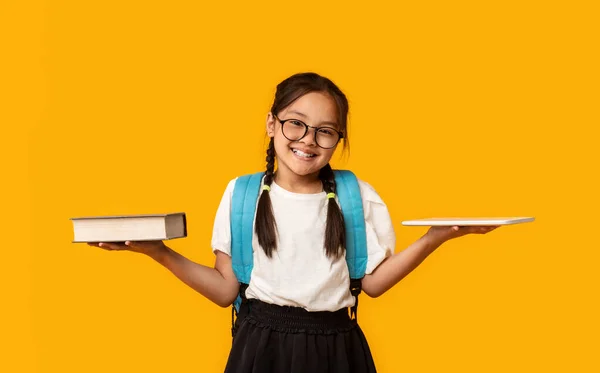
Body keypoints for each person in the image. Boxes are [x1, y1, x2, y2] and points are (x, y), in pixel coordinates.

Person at [89, 72, 499, 372]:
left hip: (338, 349)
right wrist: (158, 252)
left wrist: (435, 238)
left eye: (326, 131)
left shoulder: (356, 196)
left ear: (338, 139)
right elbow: (224, 289)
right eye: (295, 124)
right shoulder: (242, 194)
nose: (308, 140)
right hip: (260, 347)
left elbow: (371, 284)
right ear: (272, 124)